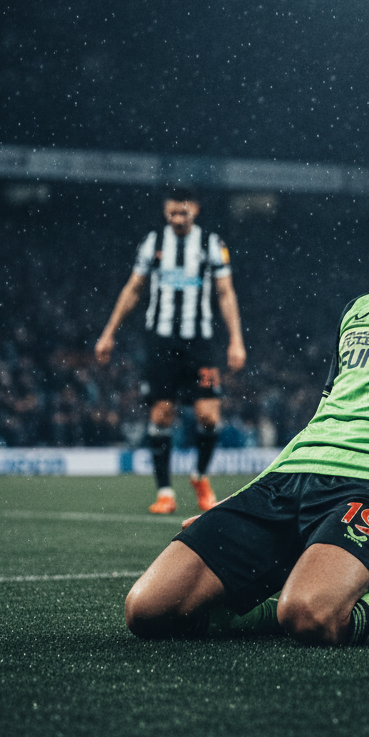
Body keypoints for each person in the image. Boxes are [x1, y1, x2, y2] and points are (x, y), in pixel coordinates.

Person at [123, 142, 369, 647]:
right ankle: (292, 597)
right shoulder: (359, 309)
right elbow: (322, 419)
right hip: (288, 480)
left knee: (310, 615)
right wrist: (246, 494)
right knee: (149, 611)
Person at [94, 187, 247, 514]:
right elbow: (134, 288)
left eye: (183, 213)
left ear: (195, 210)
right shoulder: (153, 243)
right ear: (166, 213)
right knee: (161, 414)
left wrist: (236, 339)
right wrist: (108, 333)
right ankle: (165, 492)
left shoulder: (212, 244)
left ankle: (200, 476)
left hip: (200, 343)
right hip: (161, 341)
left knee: (209, 416)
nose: (178, 219)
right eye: (172, 213)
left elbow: (225, 292)